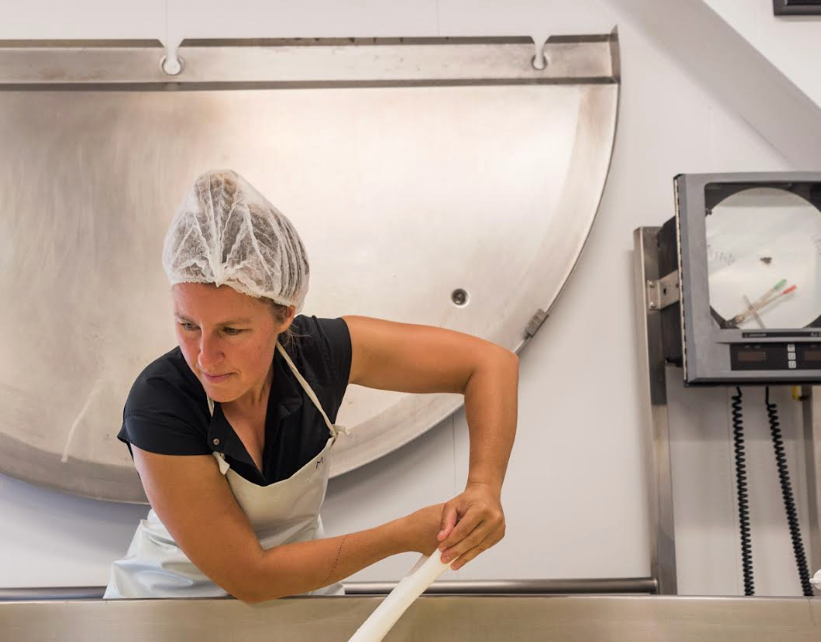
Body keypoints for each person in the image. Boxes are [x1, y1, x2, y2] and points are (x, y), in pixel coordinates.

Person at [105, 170, 518, 601]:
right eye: (188, 324)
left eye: (232, 330)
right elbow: (251, 577)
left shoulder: (317, 353)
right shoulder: (159, 402)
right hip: (165, 614)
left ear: (284, 315)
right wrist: (400, 535)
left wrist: (483, 488)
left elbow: (490, 364)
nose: (205, 357)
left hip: (298, 598)